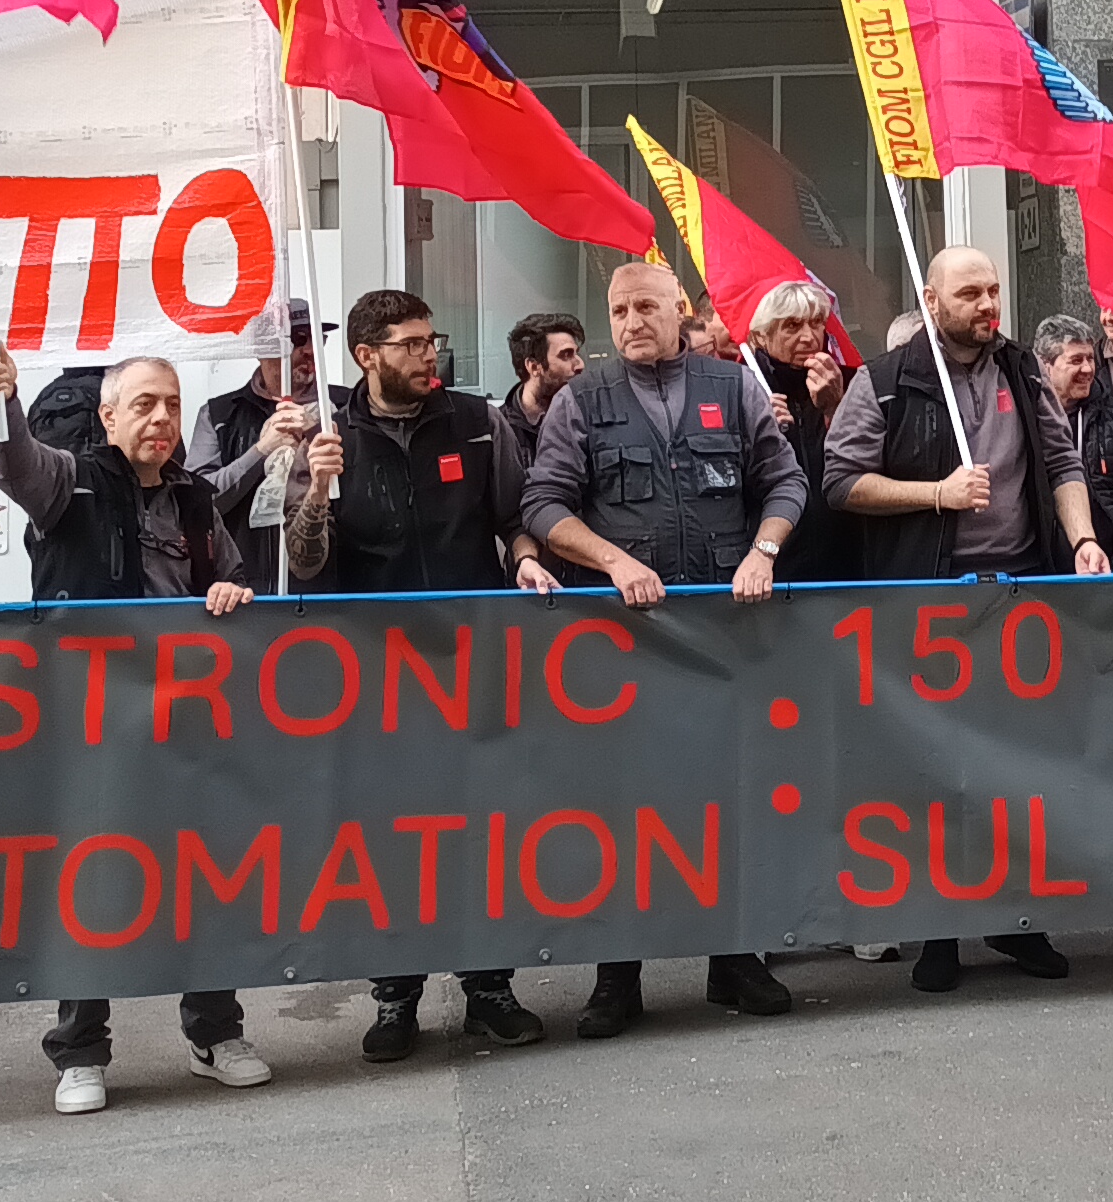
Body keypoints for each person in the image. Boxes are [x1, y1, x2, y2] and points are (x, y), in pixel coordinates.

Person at [517, 259, 806, 1033]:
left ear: (678, 310)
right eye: (618, 310)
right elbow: (544, 504)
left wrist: (764, 551)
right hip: (628, 645)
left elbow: (786, 482)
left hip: (725, 637)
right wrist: (611, 561)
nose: (632, 321)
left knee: (729, 798)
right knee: (627, 809)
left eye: (647, 306)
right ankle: (619, 976)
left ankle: (735, 959)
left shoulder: (733, 387)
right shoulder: (582, 401)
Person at [0, 351, 274, 1111]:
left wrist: (228, 589)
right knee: (91, 881)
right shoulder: (69, 483)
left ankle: (215, 1032)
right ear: (108, 416)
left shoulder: (194, 496)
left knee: (199, 878)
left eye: (173, 405)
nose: (162, 420)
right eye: (144, 404)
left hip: (186, 725)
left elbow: (232, 577)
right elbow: (11, 462)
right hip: (91, 726)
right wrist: (1, 402)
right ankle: (80, 1053)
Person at [821, 245, 1110, 991]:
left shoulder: (1021, 370)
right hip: (930, 599)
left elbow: (1062, 465)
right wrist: (936, 496)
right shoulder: (882, 384)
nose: (988, 305)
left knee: (1021, 767)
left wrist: (1081, 539)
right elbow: (842, 483)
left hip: (1020, 598)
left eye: (994, 290)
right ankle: (940, 931)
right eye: (971, 293)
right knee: (935, 771)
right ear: (931, 299)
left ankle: (1018, 919)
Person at [287, 289, 551, 1060]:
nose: (426, 355)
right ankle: (395, 994)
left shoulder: (477, 421)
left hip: (473, 661)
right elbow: (302, 567)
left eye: (430, 341)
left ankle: (489, 988)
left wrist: (528, 560)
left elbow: (514, 515)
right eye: (408, 344)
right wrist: (316, 492)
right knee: (392, 841)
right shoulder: (327, 436)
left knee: (480, 830)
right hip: (378, 679)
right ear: (366, 355)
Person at [187, 298, 315, 596]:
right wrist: (260, 451)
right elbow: (199, 502)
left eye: (317, 339)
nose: (310, 350)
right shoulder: (219, 414)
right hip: (244, 590)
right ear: (263, 350)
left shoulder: (341, 407)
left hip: (327, 592)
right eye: (298, 339)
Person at [750, 285, 858, 585]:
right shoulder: (741, 389)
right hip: (769, 566)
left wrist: (836, 408)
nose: (809, 337)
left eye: (816, 323)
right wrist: (756, 431)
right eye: (792, 326)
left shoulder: (850, 382)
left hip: (846, 560)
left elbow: (866, 467)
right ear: (760, 335)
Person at [1033, 314, 1113, 569]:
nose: (1087, 369)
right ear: (1044, 365)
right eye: (1075, 360)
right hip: (1040, 569)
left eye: (1090, 358)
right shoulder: (1023, 418)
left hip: (1108, 566)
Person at [485, 308, 586, 476]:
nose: (580, 364)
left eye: (576, 353)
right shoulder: (498, 430)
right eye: (566, 355)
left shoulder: (586, 420)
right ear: (533, 366)